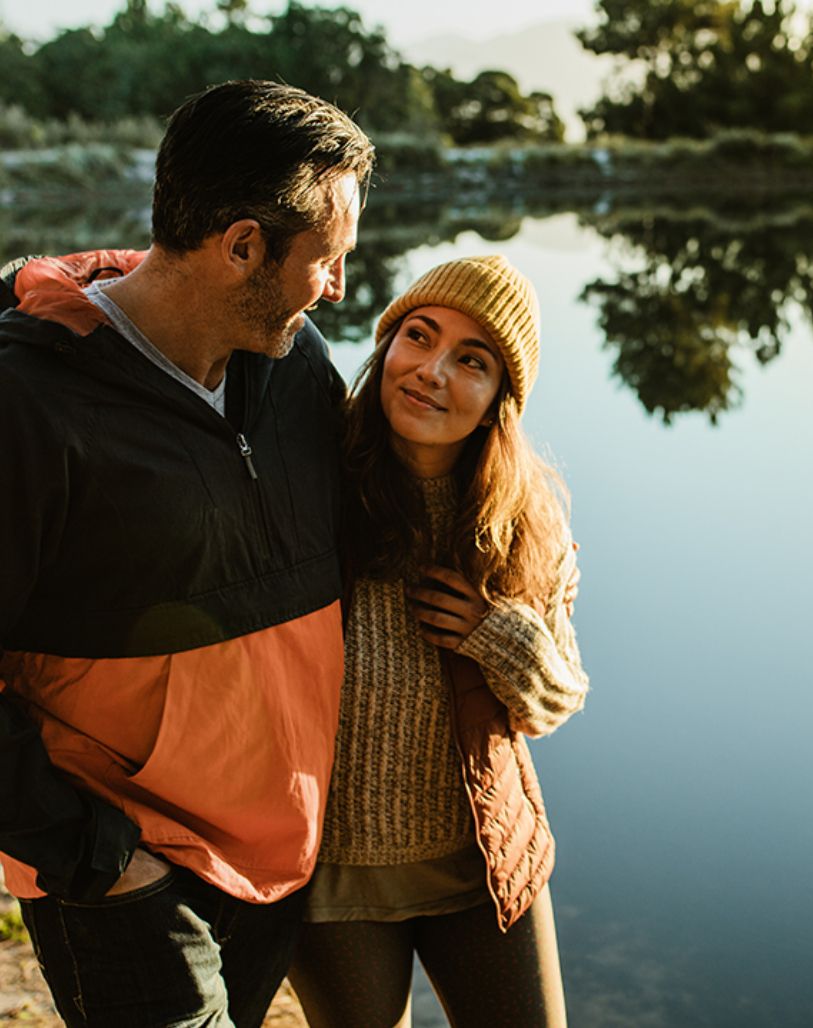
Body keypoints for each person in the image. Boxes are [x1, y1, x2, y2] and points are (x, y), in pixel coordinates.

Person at [0, 80, 374, 1026]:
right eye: (327, 262)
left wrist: (526, 552)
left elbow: (387, 521)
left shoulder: (297, 370)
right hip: (126, 874)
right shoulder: (25, 405)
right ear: (242, 245)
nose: (337, 287)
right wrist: (94, 856)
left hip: (275, 860)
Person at [288, 256, 588, 1027]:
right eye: (417, 337)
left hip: (482, 861)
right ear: (386, 346)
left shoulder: (524, 525)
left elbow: (558, 697)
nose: (431, 371)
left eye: (471, 361)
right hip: (335, 879)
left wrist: (500, 635)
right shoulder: (309, 486)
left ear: (498, 401)